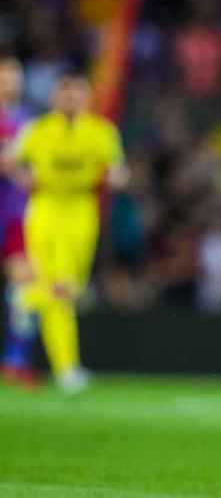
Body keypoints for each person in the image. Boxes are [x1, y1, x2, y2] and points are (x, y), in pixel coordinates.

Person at [8, 73, 128, 394]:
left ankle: (27, 297)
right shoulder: (38, 130)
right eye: (66, 94)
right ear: (56, 98)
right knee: (60, 289)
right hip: (46, 208)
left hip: (81, 211)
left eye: (77, 94)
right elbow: (9, 159)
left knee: (69, 289)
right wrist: (23, 177)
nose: (71, 99)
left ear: (86, 99)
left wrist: (117, 177)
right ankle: (66, 369)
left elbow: (117, 167)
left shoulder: (101, 132)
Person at [0, 56, 34, 388]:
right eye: (5, 76)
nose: (11, 82)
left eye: (15, 75)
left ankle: (15, 359)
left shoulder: (29, 122)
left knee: (23, 286)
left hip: (16, 214)